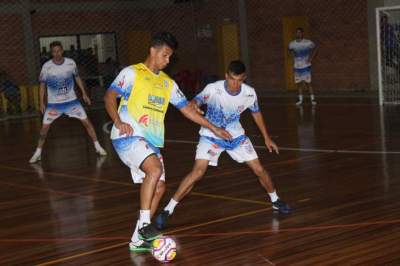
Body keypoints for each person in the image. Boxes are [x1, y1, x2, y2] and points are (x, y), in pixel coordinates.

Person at [103, 32, 231, 253]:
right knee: (155, 169)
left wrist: (213, 127)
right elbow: (109, 96)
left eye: (170, 57)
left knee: (160, 187)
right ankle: (144, 225)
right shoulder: (132, 73)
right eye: (165, 55)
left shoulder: (167, 83)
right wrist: (117, 120)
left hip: (151, 141)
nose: (167, 60)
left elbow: (186, 110)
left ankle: (137, 239)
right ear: (153, 50)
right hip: (128, 135)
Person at [155, 60, 291, 231]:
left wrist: (266, 138)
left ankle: (275, 200)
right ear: (226, 76)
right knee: (197, 172)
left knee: (259, 169)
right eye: (232, 79)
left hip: (236, 137)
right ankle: (168, 210)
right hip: (211, 136)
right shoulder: (214, 89)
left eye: (239, 80)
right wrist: (194, 105)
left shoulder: (249, 93)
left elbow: (256, 114)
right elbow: (196, 100)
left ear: (244, 78)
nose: (235, 84)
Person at [29, 41, 107, 163]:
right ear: (51, 53)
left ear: (62, 51)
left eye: (59, 51)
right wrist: (41, 102)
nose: (57, 53)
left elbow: (77, 78)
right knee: (44, 128)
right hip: (54, 104)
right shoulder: (46, 67)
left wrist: (84, 93)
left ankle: (98, 147)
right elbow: (42, 85)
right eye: (54, 51)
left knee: (87, 122)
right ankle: (38, 152)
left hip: (72, 102)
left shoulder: (71, 63)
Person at [289, 27, 317, 105]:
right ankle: (300, 100)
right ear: (296, 34)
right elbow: (290, 51)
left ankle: (312, 100)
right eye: (297, 32)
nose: (298, 34)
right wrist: (293, 59)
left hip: (306, 67)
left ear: (302, 33)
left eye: (299, 32)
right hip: (297, 67)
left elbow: (315, 49)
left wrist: (311, 59)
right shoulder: (292, 44)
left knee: (308, 83)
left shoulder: (308, 42)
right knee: (299, 84)